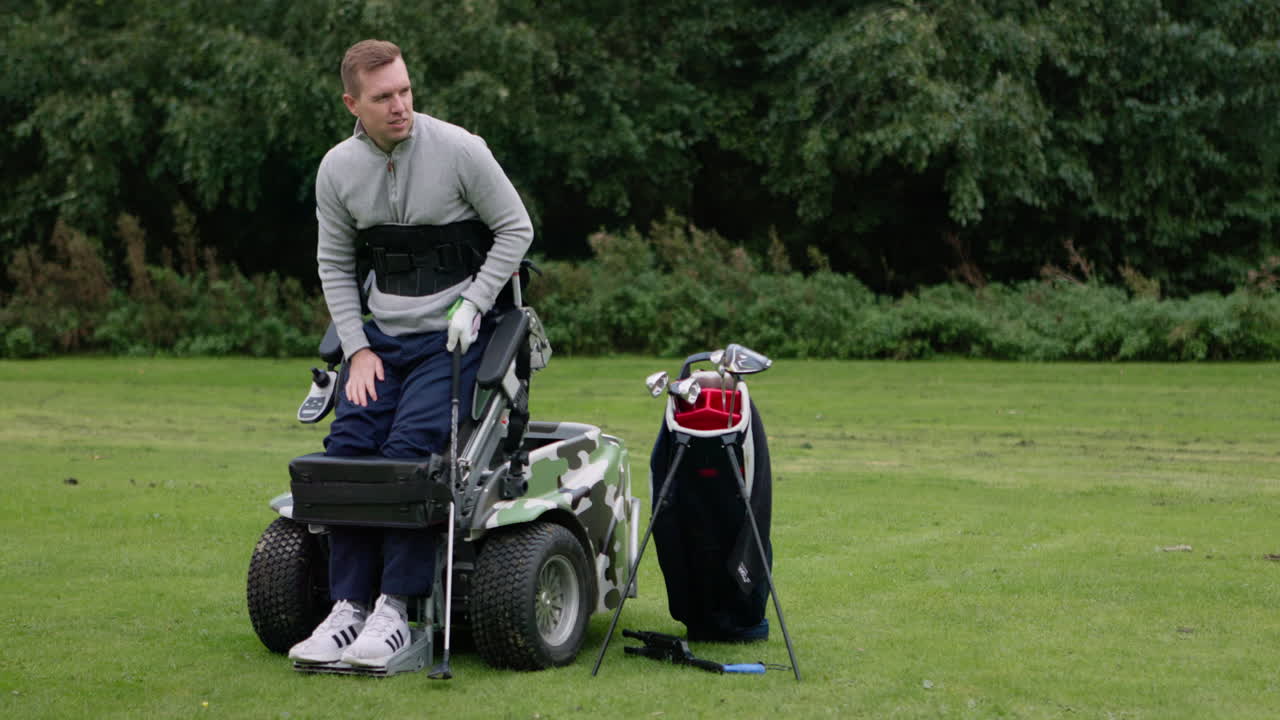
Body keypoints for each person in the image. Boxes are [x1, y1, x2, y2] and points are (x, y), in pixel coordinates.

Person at [288, 39, 533, 667]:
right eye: (382, 97)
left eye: (404, 90)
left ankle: (396, 607)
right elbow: (335, 264)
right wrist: (358, 346)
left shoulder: (459, 150)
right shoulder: (337, 169)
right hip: (383, 341)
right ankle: (347, 609)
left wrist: (476, 302)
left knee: (408, 456)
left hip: (452, 337)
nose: (399, 106)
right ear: (353, 103)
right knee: (347, 451)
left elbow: (516, 228)